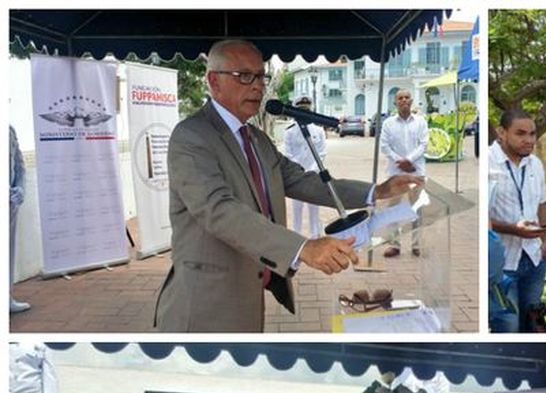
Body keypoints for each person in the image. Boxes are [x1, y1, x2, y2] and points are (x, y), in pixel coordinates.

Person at [156, 39, 420, 332]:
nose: (257, 86)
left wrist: (376, 191)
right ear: (213, 81)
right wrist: (302, 247)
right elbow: (218, 210)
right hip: (205, 303)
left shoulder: (256, 138)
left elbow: (301, 180)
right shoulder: (192, 137)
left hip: (249, 290)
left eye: (261, 76)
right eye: (245, 76)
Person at [488, 108, 546, 333]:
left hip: (534, 258)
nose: (529, 140)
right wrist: (513, 230)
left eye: (532, 134)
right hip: (502, 264)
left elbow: (541, 205)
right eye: (521, 133)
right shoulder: (487, 163)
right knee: (509, 327)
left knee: (532, 322)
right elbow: (482, 220)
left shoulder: (535, 164)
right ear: (501, 133)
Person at [379, 89, 430, 257]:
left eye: (407, 97)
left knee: (417, 208)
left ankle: (417, 245)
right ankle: (394, 244)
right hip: (395, 173)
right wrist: (399, 161)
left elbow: (423, 145)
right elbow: (384, 146)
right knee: (393, 209)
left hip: (417, 171)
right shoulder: (388, 124)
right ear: (395, 102)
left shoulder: (421, 122)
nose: (404, 100)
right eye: (400, 98)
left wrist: (409, 160)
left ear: (412, 100)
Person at [280, 96, 327, 238]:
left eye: (306, 109)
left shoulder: (318, 130)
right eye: (301, 109)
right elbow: (288, 154)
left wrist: (311, 171)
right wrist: (301, 172)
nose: (304, 112)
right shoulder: (289, 132)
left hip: (314, 176)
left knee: (314, 209)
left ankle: (315, 236)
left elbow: (322, 153)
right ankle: (297, 239)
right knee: (297, 211)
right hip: (297, 177)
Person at [10, 125, 31, 313]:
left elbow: (19, 165)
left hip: (9, 202)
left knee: (8, 252)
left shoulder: (9, 130)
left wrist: (20, 188)